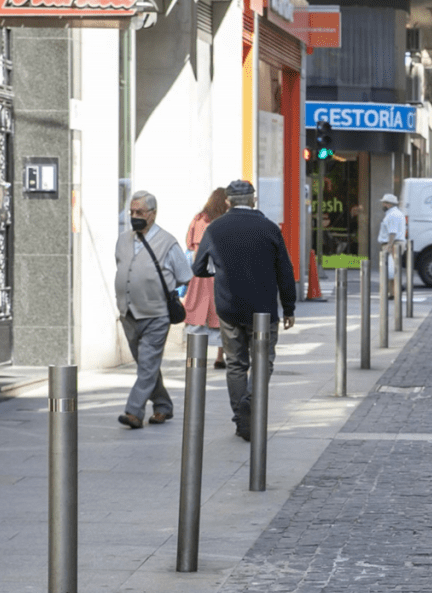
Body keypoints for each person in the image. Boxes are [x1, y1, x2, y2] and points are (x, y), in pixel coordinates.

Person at [191, 180, 297, 441]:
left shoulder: (215, 228)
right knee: (264, 361)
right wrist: (289, 307)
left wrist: (219, 271)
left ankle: (242, 419)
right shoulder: (269, 228)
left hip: (228, 307)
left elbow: (198, 268)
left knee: (235, 364)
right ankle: (250, 400)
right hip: (263, 309)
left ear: (228, 202)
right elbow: (285, 270)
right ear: (254, 200)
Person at [114, 190, 193, 429]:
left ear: (153, 214)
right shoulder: (123, 239)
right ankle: (163, 406)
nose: (134, 216)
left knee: (147, 365)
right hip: (129, 314)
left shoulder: (168, 243)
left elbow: (184, 275)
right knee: (146, 366)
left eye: (140, 212)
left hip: (157, 314)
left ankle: (133, 411)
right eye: (132, 212)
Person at [184, 188, 227, 369]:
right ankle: (220, 356)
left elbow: (189, 243)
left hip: (199, 273)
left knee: (197, 314)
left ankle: (194, 357)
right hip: (218, 272)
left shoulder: (198, 219)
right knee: (220, 316)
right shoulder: (223, 221)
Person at [378, 192, 407, 294]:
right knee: (391, 269)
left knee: (391, 269)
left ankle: (396, 290)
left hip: (394, 243)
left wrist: (389, 246)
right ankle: (393, 292)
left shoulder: (392, 215)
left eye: (384, 203)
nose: (383, 205)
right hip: (396, 243)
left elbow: (392, 232)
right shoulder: (396, 213)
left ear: (389, 204)